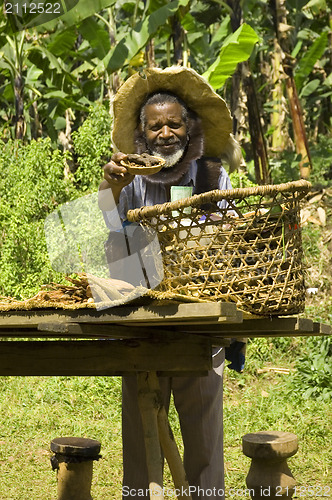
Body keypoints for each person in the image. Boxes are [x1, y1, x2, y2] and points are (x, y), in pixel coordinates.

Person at [99, 67, 244, 500]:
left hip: (199, 322)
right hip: (142, 318)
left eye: (174, 123)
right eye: (155, 126)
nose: (165, 133)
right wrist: (109, 187)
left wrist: (215, 223)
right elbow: (109, 230)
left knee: (202, 431)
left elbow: (234, 241)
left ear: (188, 128)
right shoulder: (131, 179)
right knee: (141, 428)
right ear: (142, 135)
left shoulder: (212, 175)